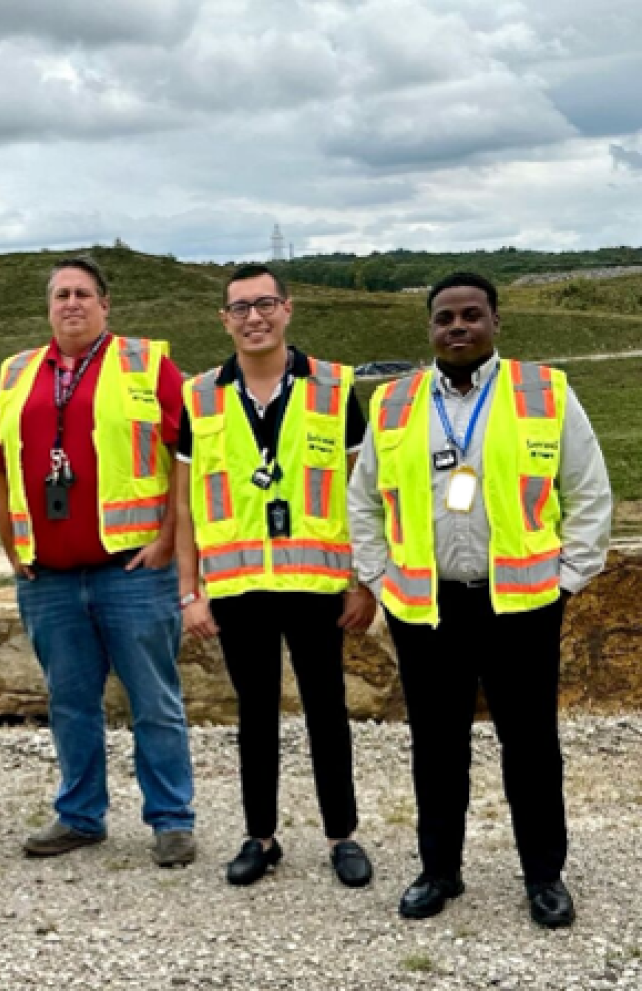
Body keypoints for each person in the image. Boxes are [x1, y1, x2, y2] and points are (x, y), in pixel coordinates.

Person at [349, 271, 612, 928]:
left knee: (530, 744)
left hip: (521, 606)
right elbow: (363, 500)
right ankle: (439, 870)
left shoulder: (543, 392)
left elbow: (588, 491)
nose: (458, 326)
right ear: (430, 328)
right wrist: (381, 577)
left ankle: (544, 875)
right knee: (437, 747)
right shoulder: (394, 402)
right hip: (426, 606)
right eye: (445, 317)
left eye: (471, 314)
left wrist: (566, 579)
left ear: (495, 322)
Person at [0, 255, 196, 866]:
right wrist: (14, 545)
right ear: (48, 308)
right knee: (70, 703)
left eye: (82, 294)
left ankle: (172, 819)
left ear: (105, 305)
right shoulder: (18, 372)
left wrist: (169, 538)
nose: (70, 303)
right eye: (60, 295)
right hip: (48, 578)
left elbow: (187, 459)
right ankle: (80, 815)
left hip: (132, 571)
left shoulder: (147, 363)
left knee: (154, 700)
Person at [176, 264, 374, 888]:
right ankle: (260, 836)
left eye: (265, 304)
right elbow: (181, 503)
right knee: (254, 715)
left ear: (288, 309)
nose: (253, 317)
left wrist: (364, 580)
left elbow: (364, 492)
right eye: (240, 308)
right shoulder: (199, 395)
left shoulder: (335, 388)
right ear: (224, 319)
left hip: (317, 586)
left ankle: (342, 834)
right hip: (238, 589)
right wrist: (190, 591)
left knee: (327, 710)